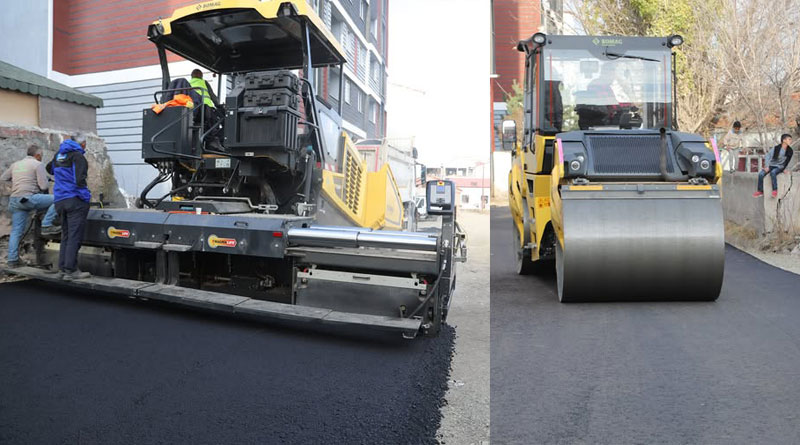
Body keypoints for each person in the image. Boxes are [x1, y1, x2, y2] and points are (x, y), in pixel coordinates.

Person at [1, 144, 60, 267]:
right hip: (29, 199)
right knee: (60, 199)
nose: (41, 158)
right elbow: (43, 187)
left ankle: (12, 260)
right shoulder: (38, 165)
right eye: (41, 156)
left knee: (16, 231)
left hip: (15, 200)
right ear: (37, 155)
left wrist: (17, 185)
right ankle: (47, 224)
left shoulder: (16, 164)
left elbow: (3, 178)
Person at [46, 133, 92, 280]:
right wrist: (86, 197)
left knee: (65, 235)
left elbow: (49, 168)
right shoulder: (78, 156)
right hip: (74, 200)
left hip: (59, 201)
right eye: (85, 143)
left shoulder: (59, 155)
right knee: (74, 236)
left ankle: (63, 268)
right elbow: (80, 180)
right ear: (82, 143)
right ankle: (71, 270)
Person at [753, 133, 794, 198]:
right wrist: (767, 166)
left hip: (780, 167)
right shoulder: (776, 148)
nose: (791, 141)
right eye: (789, 139)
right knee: (761, 174)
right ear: (784, 140)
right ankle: (760, 191)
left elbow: (788, 161)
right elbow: (768, 156)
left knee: (773, 172)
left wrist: (786, 169)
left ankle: (775, 190)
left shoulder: (790, 151)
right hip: (771, 165)